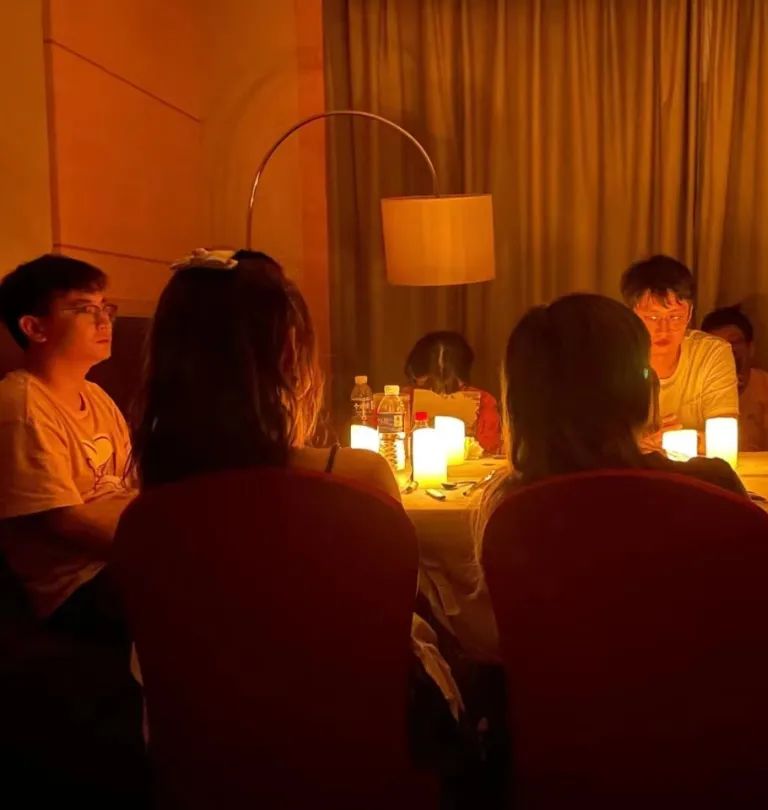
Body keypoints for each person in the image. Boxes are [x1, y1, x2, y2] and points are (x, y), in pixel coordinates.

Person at [130, 248, 462, 720]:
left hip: (202, 735)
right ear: (289, 353)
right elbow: (393, 604)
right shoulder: (357, 480)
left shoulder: (154, 506)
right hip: (347, 729)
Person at [422, 294, 746, 664]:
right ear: (640, 393)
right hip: (706, 696)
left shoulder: (511, 512)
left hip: (560, 701)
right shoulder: (713, 489)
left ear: (519, 402)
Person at [0, 254, 134, 645]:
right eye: (84, 309)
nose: (103, 320)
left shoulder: (97, 396)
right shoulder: (22, 406)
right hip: (78, 584)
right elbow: (63, 521)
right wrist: (155, 545)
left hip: (118, 556)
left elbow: (129, 484)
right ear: (34, 327)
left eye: (105, 307)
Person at [621, 255, 739, 438]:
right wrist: (637, 442)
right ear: (631, 315)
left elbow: (724, 437)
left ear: (689, 314)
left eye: (675, 317)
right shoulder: (613, 357)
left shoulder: (711, 353)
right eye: (652, 318)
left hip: (691, 457)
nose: (664, 329)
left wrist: (671, 440)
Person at [702, 305, 768, 451]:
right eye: (717, 345)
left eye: (734, 342)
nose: (727, 350)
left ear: (750, 348)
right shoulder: (694, 388)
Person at [404, 331, 500, 454]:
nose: (441, 394)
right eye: (429, 384)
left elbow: (490, 448)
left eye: (450, 386)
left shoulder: (483, 402)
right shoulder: (402, 401)